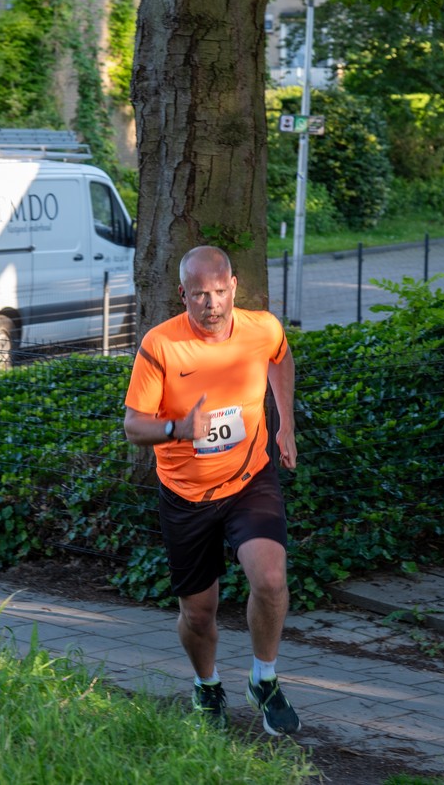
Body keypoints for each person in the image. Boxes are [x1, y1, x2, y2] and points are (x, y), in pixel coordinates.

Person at [123, 245, 300, 735]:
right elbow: (134, 425)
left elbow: (280, 356)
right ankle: (207, 685)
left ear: (234, 287)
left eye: (220, 291)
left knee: (269, 579)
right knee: (199, 615)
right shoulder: (161, 346)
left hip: (249, 479)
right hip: (185, 494)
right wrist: (179, 428)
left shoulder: (261, 327)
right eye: (200, 294)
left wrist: (285, 423)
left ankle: (264, 678)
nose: (212, 303)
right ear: (183, 294)